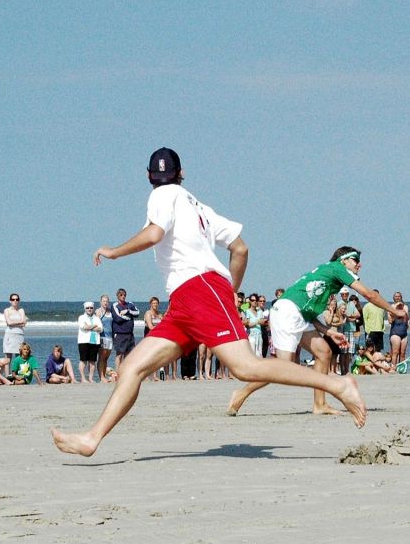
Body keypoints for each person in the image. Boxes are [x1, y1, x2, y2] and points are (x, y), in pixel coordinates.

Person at [52, 147, 366, 457]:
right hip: (185, 300)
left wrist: (114, 251)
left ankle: (338, 386)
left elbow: (153, 234)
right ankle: (92, 439)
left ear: (150, 177)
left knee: (246, 367)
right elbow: (240, 249)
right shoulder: (199, 208)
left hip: (199, 288)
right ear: (182, 173)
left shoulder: (162, 194)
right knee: (132, 367)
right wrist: (231, 289)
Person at [226, 246, 399, 416]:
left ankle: (320, 404)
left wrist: (328, 332)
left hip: (299, 314)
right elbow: (369, 295)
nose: (359, 265)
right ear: (343, 260)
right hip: (288, 311)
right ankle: (241, 394)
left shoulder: (327, 272)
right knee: (282, 366)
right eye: (356, 260)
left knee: (324, 352)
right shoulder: (338, 268)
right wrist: (394, 311)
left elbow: (308, 310)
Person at [111, 288, 140, 370]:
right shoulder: (114, 305)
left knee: (128, 355)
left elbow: (137, 313)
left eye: (124, 295)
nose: (123, 296)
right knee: (119, 355)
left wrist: (127, 311)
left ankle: (125, 372)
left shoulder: (130, 304)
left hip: (130, 334)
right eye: (121, 295)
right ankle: (118, 373)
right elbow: (117, 318)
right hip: (120, 334)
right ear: (117, 296)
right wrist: (129, 317)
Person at [77, 301, 103, 382]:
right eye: (87, 308)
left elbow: (101, 329)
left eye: (91, 308)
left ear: (93, 308)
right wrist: (95, 326)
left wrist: (90, 327)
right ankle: (83, 378)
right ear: (85, 309)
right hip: (83, 341)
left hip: (94, 341)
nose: (89, 309)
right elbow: (83, 327)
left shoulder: (96, 318)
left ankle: (91, 378)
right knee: (83, 360)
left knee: (92, 361)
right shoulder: (81, 317)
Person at [2, 293, 27, 372]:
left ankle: (17, 376)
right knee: (8, 357)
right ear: (10, 301)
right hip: (10, 334)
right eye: (13, 299)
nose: (15, 301)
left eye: (17, 299)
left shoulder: (21, 310)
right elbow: (9, 323)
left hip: (20, 335)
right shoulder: (7, 310)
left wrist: (14, 322)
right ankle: (7, 377)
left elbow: (24, 322)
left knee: (19, 356)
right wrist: (20, 322)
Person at [387, 291, 410, 370]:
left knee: (403, 353)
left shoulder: (405, 307)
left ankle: (401, 368)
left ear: (401, 297)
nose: (397, 297)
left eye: (399, 296)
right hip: (395, 332)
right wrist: (395, 309)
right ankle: (393, 367)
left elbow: (407, 319)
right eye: (396, 296)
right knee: (395, 352)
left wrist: (403, 310)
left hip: (404, 332)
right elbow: (390, 321)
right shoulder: (391, 307)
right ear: (393, 298)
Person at [363, 290, 387, 359]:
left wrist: (383, 329)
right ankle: (370, 366)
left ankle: (377, 366)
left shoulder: (381, 307)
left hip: (380, 331)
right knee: (370, 350)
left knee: (378, 350)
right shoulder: (367, 306)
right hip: (371, 331)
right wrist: (367, 331)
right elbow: (365, 319)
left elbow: (382, 319)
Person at [95, 294, 114, 382]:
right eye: (104, 301)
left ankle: (104, 376)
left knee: (106, 358)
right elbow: (95, 322)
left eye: (107, 301)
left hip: (110, 337)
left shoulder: (110, 311)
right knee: (102, 357)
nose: (105, 303)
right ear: (100, 302)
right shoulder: (98, 311)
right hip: (102, 336)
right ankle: (101, 377)